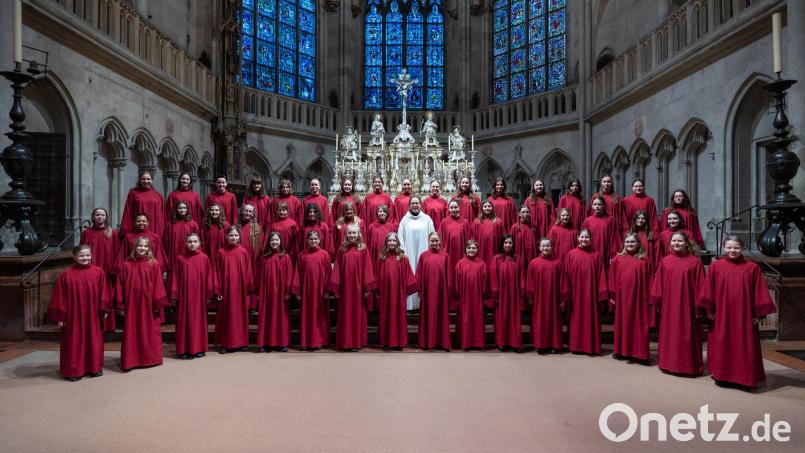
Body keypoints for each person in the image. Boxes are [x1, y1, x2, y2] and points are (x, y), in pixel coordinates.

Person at [698, 236, 777, 389]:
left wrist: (757, 314)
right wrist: (708, 309)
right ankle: (722, 376)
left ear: (742, 248)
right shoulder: (716, 267)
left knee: (743, 345)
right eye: (729, 248)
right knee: (723, 343)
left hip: (745, 315)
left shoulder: (752, 268)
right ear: (724, 247)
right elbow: (708, 290)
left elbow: (759, 292)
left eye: (736, 248)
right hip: (721, 313)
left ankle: (745, 378)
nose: (732, 251)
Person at [47, 245, 111, 381]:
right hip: (73, 315)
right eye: (81, 256)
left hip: (93, 314)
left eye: (87, 255)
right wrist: (61, 316)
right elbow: (60, 296)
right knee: (74, 341)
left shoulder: (98, 272)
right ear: (74, 256)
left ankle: (94, 368)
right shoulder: (66, 274)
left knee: (94, 340)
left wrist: (103, 308)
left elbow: (104, 292)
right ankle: (74, 370)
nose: (85, 258)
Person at [649, 231, 705, 376]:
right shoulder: (665, 261)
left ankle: (687, 366)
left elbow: (701, 284)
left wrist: (699, 306)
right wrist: (658, 301)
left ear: (687, 243)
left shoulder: (695, 262)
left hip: (688, 306)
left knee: (687, 334)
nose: (676, 243)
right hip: (669, 305)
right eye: (674, 241)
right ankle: (668, 364)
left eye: (680, 241)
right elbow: (658, 283)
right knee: (670, 334)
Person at [115, 237, 168, 371]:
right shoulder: (126, 265)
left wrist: (157, 305)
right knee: (132, 331)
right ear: (135, 247)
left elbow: (158, 285)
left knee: (149, 331)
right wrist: (121, 304)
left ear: (149, 249)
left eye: (146, 246)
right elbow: (120, 285)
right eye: (140, 246)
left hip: (149, 305)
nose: (143, 249)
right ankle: (131, 360)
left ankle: (151, 359)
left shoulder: (153, 264)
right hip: (132, 305)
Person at [327, 223, 376, 351]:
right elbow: (337, 268)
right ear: (346, 235)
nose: (352, 235)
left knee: (358, 314)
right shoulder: (342, 249)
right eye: (350, 233)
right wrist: (336, 288)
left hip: (359, 289)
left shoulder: (363, 249)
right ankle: (346, 342)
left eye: (354, 233)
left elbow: (368, 269)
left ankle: (356, 342)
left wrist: (367, 288)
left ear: (359, 234)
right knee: (345, 314)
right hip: (345, 289)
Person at [609, 233, 653, 364]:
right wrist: (613, 295)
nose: (630, 244)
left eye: (632, 242)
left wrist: (649, 295)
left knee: (639, 324)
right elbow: (612, 278)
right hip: (622, 298)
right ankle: (622, 352)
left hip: (639, 298)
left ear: (639, 244)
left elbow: (650, 279)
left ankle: (640, 354)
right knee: (623, 324)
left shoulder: (645, 260)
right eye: (627, 242)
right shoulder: (618, 259)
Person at [563, 229, 609, 355]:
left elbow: (601, 275)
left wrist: (601, 294)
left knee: (590, 319)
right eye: (582, 237)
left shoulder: (597, 255)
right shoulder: (570, 255)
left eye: (587, 237)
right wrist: (566, 295)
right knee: (575, 319)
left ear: (591, 238)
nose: (584, 240)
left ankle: (590, 347)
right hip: (575, 295)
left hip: (591, 294)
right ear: (577, 238)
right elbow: (565, 277)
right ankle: (575, 346)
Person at [168, 233, 213, 359]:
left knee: (198, 322)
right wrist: (174, 295)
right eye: (189, 242)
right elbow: (175, 278)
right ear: (185, 243)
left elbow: (209, 278)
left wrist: (208, 294)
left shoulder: (204, 258)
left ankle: (198, 348)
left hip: (199, 296)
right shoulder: (180, 259)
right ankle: (183, 350)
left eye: (195, 241)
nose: (192, 244)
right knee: (183, 322)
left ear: (199, 243)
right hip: (184, 296)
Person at [213, 226, 255, 353]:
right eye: (231, 235)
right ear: (226, 236)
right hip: (226, 290)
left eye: (236, 235)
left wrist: (248, 289)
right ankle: (225, 343)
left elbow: (248, 271)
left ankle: (241, 343)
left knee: (240, 316)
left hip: (240, 290)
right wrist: (217, 290)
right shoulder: (221, 252)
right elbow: (217, 272)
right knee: (226, 316)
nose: (234, 238)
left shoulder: (243, 252)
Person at [376, 232, 418, 350]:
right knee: (386, 315)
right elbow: (377, 275)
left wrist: (408, 290)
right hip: (386, 293)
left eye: (394, 241)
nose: (392, 243)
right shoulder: (381, 258)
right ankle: (386, 342)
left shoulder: (403, 258)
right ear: (386, 243)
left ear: (398, 243)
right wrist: (378, 290)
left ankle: (399, 342)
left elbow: (408, 275)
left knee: (398, 315)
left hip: (399, 293)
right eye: (389, 241)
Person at [291, 230, 332, 350]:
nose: (313, 241)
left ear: (319, 240)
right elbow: (297, 273)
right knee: (308, 316)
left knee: (320, 316)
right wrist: (297, 291)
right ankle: (307, 341)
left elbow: (329, 274)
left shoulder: (325, 255)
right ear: (307, 241)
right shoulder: (302, 255)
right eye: (311, 239)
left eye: (315, 239)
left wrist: (327, 291)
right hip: (307, 291)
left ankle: (321, 340)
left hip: (320, 291)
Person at [80, 207, 119, 331]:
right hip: (91, 269)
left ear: (106, 217)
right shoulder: (87, 233)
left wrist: (115, 269)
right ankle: (91, 323)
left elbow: (117, 252)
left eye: (102, 215)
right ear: (93, 217)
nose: (100, 217)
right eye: (97, 215)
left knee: (106, 294)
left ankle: (108, 325)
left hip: (107, 270)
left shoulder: (112, 232)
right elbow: (81, 251)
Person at [525, 238, 567, 353]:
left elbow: (562, 282)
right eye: (543, 246)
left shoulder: (558, 263)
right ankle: (540, 344)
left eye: (548, 246)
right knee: (540, 320)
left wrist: (562, 298)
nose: (545, 248)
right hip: (539, 299)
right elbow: (530, 281)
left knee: (554, 320)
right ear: (539, 247)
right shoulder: (534, 263)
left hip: (553, 299)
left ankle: (554, 344)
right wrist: (530, 296)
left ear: (552, 247)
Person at [255, 232, 294, 352]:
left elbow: (289, 276)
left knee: (281, 317)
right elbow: (259, 276)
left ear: (280, 242)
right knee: (266, 316)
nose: (274, 242)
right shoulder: (264, 258)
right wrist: (258, 292)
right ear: (269, 242)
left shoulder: (285, 257)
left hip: (281, 293)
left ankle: (282, 343)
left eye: (277, 240)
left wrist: (288, 291)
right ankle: (265, 343)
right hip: (267, 293)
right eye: (272, 240)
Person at [397, 196, 435, 310]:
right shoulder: (404, 220)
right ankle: (410, 305)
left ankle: (423, 304)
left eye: (416, 203)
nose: (414, 205)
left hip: (424, 254)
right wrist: (403, 252)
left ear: (420, 204)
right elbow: (400, 237)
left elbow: (432, 235)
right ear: (409, 205)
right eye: (412, 203)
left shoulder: (427, 219)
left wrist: (431, 252)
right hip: (409, 253)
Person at [415, 232, 452, 350]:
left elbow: (449, 275)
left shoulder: (445, 256)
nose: (434, 243)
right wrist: (419, 289)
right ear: (428, 241)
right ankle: (428, 342)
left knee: (441, 316)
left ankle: (442, 342)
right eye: (432, 241)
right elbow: (419, 274)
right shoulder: (423, 256)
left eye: (436, 241)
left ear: (440, 241)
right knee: (428, 315)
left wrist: (448, 290)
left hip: (441, 292)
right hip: (427, 293)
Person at [490, 235, 523, 351]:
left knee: (514, 317)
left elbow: (522, 277)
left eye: (510, 243)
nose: (507, 245)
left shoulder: (518, 258)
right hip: (501, 294)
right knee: (501, 317)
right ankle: (502, 342)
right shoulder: (496, 259)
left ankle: (514, 343)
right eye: (505, 243)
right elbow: (493, 277)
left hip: (514, 294)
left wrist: (521, 292)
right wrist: (496, 293)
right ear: (501, 244)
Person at [454, 240, 489, 350]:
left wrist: (483, 294)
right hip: (464, 297)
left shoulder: (481, 264)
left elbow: (485, 282)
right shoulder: (460, 263)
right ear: (465, 250)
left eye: (474, 248)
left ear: (477, 250)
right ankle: (465, 343)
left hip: (477, 297)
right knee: (465, 318)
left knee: (477, 318)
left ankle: (478, 343)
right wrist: (458, 293)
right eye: (469, 248)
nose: (471, 250)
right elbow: (457, 281)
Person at [120, 171, 165, 237]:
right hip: (138, 227)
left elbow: (161, 216)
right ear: (140, 180)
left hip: (154, 227)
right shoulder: (133, 194)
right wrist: (126, 230)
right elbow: (128, 212)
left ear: (152, 180)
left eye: (148, 179)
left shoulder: (158, 196)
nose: (146, 181)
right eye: (143, 179)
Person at [581, 196, 621, 267]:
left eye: (599, 204)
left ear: (604, 206)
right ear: (592, 206)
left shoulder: (610, 220)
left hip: (605, 251)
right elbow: (582, 239)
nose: (597, 207)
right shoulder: (587, 221)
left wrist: (613, 254)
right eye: (595, 204)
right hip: (591, 251)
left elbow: (614, 238)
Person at [163, 201, 200, 272]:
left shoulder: (193, 224)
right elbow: (165, 242)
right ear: (176, 209)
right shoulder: (169, 224)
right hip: (173, 254)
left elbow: (197, 242)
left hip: (188, 255)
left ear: (187, 209)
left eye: (184, 208)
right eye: (180, 208)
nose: (182, 210)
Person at [472, 199, 506, 267]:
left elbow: (502, 237)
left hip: (494, 248)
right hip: (481, 249)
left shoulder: (498, 221)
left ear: (492, 208)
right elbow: (473, 236)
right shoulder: (476, 221)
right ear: (482, 208)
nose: (487, 208)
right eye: (485, 206)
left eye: (489, 206)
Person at [366, 205, 397, 274]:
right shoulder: (371, 227)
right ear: (377, 213)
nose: (382, 213)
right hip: (374, 254)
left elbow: (395, 242)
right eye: (380, 211)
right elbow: (367, 242)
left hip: (388, 254)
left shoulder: (391, 226)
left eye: (384, 211)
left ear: (387, 214)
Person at [201, 203, 229, 270]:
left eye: (216, 210)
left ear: (220, 211)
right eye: (212, 210)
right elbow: (202, 240)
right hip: (209, 253)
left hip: (222, 253)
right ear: (209, 212)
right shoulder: (205, 226)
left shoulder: (226, 225)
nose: (214, 212)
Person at [510, 205, 537, 270]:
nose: (525, 214)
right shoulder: (515, 227)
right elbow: (510, 242)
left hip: (531, 256)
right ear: (519, 213)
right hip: (519, 255)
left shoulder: (533, 227)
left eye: (527, 212)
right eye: (523, 212)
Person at [238, 204, 265, 268]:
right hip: (239, 256)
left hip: (252, 257)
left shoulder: (257, 228)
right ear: (242, 212)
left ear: (253, 214)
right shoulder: (236, 225)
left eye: (250, 211)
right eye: (246, 211)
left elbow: (260, 246)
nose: (248, 213)